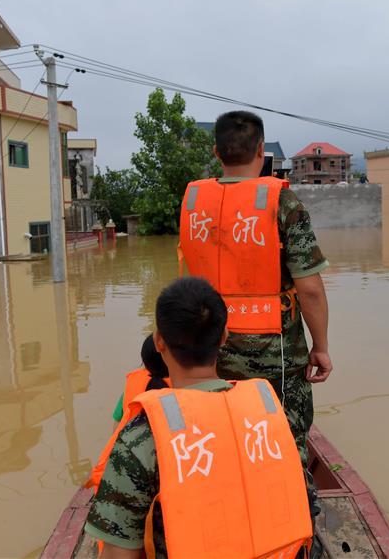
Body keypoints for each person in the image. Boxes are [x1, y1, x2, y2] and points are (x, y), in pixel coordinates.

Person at [85, 277, 312, 558]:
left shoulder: (142, 438)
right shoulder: (272, 414)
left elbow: (118, 555)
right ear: (224, 337)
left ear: (158, 341)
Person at [177, 111, 332, 505]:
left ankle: (225, 516)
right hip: (274, 354)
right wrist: (321, 346)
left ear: (216, 152)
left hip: (205, 350)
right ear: (262, 152)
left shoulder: (194, 199)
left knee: (220, 436)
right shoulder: (281, 199)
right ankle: (291, 529)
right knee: (282, 440)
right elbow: (310, 288)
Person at [85, 334, 170, 494]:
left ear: (144, 362)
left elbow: (117, 427)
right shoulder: (182, 390)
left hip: (115, 478)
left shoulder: (134, 385)